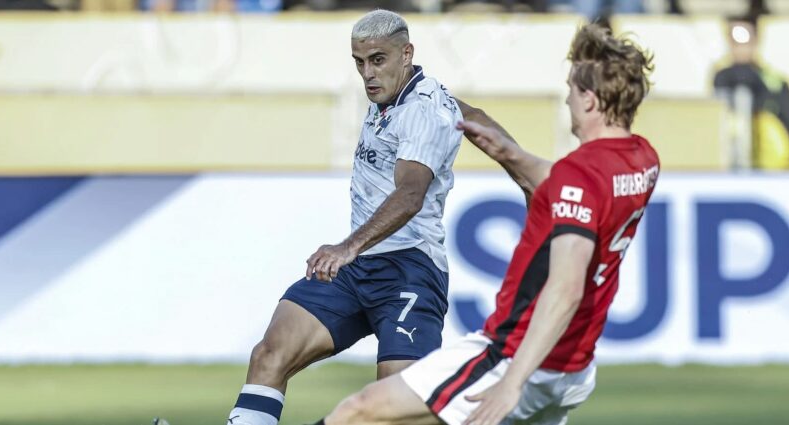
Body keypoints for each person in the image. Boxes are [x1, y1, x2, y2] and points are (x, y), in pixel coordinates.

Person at [308, 22, 659, 425]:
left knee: (359, 412)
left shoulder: (578, 178)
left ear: (591, 101)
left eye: (572, 91)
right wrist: (514, 156)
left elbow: (565, 289)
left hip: (518, 355)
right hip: (574, 366)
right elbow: (575, 184)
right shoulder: (641, 160)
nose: (567, 100)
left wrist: (512, 381)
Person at [225, 9, 463, 425]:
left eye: (378, 60)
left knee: (397, 408)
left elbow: (410, 195)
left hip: (410, 269)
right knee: (270, 354)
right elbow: (470, 114)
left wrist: (347, 247)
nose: (368, 73)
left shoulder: (423, 111)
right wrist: (515, 160)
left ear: (406, 54)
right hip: (360, 266)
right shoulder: (399, 94)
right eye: (360, 62)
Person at [713, 14, 789, 169]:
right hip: (730, 167)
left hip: (771, 171)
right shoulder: (721, 79)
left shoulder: (776, 84)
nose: (739, 46)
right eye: (734, 38)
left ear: (756, 39)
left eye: (744, 36)